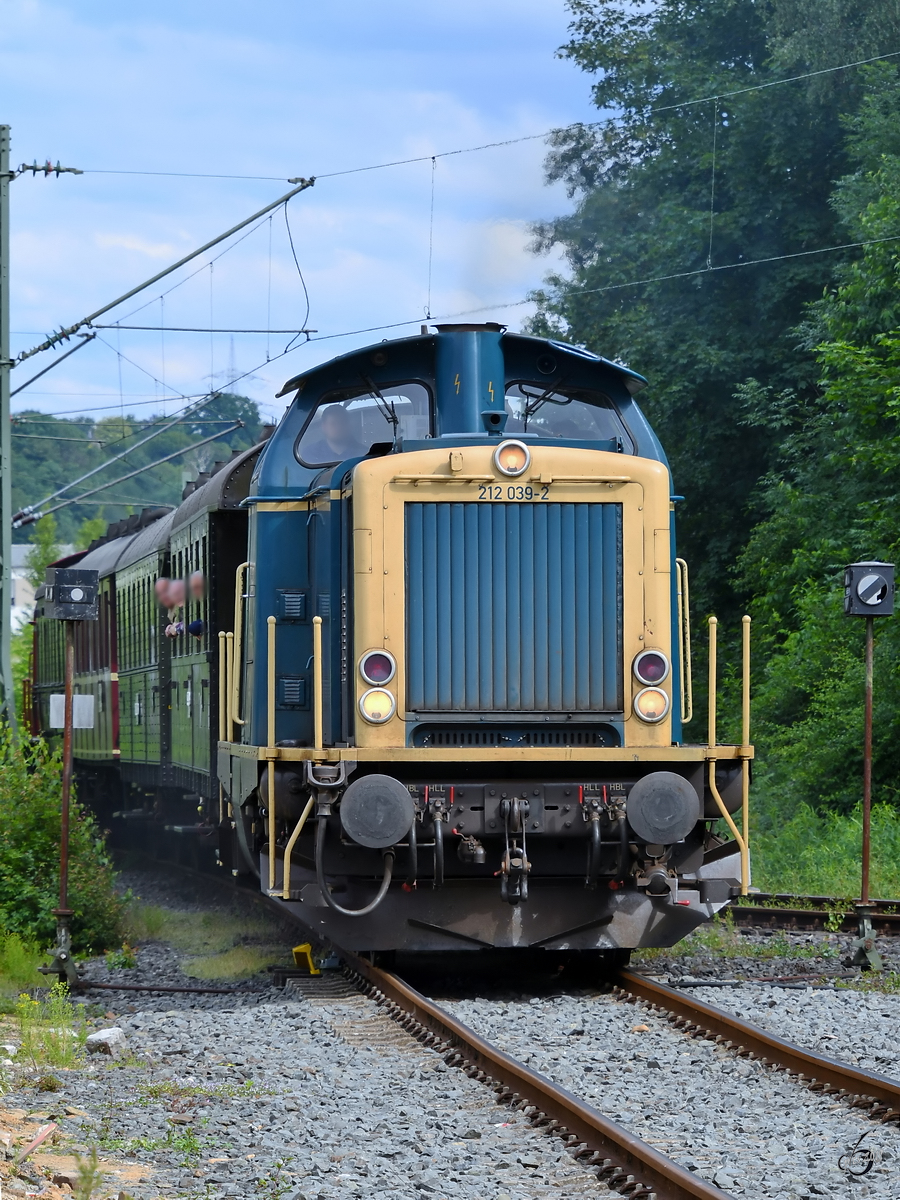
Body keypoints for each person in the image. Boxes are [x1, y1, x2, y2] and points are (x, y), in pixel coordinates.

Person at [301, 403, 366, 463]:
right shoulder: (308, 455)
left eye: (342, 422)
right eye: (333, 423)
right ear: (324, 427)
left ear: (349, 425)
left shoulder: (364, 453)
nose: (339, 427)